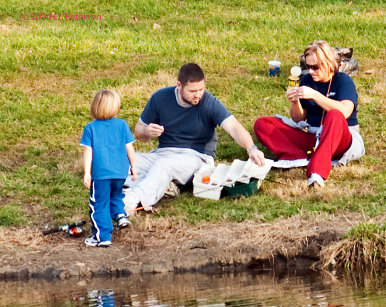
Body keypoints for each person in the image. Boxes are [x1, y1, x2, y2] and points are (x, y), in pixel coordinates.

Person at [123, 63, 265, 212]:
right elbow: (138, 132)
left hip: (197, 157)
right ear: (179, 85)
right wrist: (147, 130)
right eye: (192, 91)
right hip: (162, 153)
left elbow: (234, 127)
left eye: (201, 89)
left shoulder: (208, 102)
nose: (198, 94)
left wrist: (251, 148)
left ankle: (133, 200)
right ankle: (163, 186)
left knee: (164, 166)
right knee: (125, 160)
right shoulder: (160, 98)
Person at [254, 41, 365, 187]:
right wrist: (295, 102)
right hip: (314, 136)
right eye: (308, 66)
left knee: (334, 115)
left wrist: (315, 95)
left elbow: (344, 111)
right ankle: (298, 157)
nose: (311, 71)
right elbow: (298, 118)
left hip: (340, 137)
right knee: (263, 124)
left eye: (315, 67)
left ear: (328, 63)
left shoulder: (343, 80)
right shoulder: (307, 80)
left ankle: (317, 171)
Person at [80, 89, 137, 247]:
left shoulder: (90, 128)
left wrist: (87, 173)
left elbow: (88, 152)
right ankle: (120, 215)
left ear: (94, 108)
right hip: (120, 172)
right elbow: (129, 148)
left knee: (99, 203)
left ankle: (102, 236)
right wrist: (133, 167)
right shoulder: (122, 125)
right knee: (116, 195)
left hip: (101, 175)